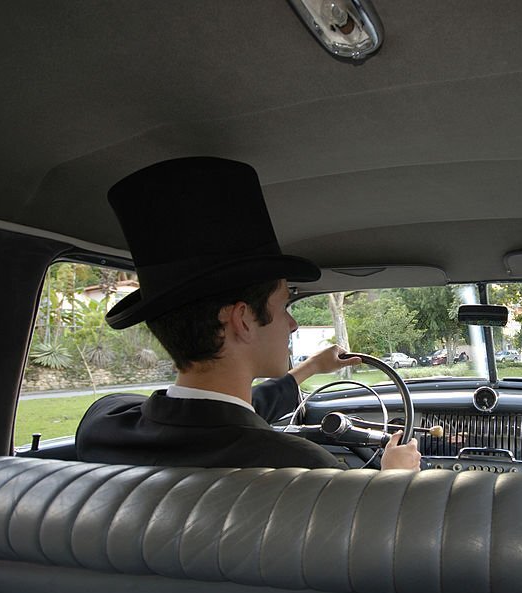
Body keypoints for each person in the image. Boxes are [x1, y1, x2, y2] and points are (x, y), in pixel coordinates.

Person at [75, 157, 421, 471]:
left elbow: (211, 416)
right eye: (284, 305)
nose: (293, 323)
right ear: (241, 319)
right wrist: (393, 480)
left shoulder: (102, 426)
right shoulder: (302, 468)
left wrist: (311, 368)